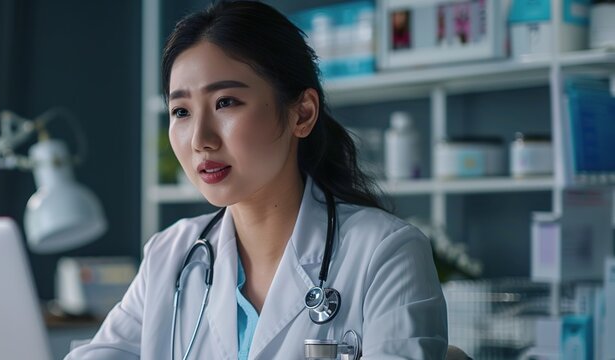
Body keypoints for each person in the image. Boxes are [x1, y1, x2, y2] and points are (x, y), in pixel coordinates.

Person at [66, 1, 447, 359]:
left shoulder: (385, 252)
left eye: (226, 103)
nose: (201, 139)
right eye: (181, 111)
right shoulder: (171, 255)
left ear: (302, 114)